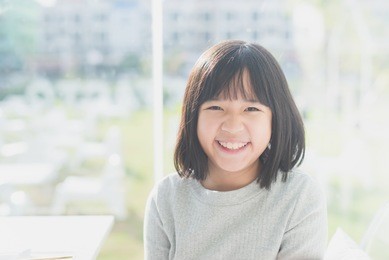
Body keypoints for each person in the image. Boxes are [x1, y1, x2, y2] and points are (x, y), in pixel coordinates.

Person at [144, 40, 328, 259]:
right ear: (193, 117)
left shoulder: (299, 196)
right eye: (216, 107)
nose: (232, 126)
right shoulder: (166, 198)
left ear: (275, 119)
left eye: (251, 108)